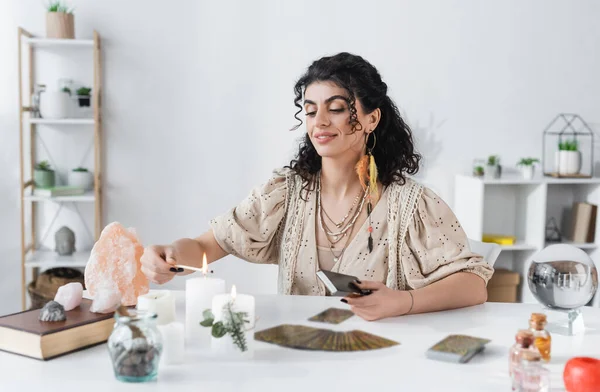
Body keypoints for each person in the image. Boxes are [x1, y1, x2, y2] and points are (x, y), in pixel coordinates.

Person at [140, 52, 494, 321]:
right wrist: (168, 254)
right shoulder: (285, 193)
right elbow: (209, 244)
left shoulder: (411, 204)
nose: (320, 122)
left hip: (384, 364)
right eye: (310, 111)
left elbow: (473, 284)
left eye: (336, 108)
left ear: (372, 118)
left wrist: (404, 302)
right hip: (297, 358)